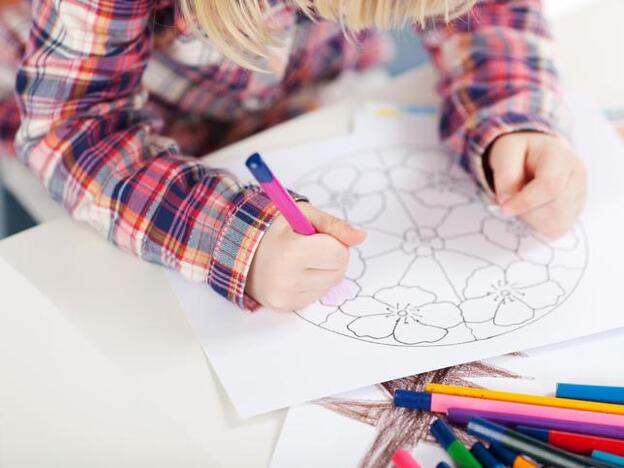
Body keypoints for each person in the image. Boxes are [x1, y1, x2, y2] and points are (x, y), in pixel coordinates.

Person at [1, 0, 586, 311]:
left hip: (301, 89)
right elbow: (76, 131)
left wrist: (513, 115)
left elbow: (495, 8)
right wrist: (237, 242)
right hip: (75, 110)